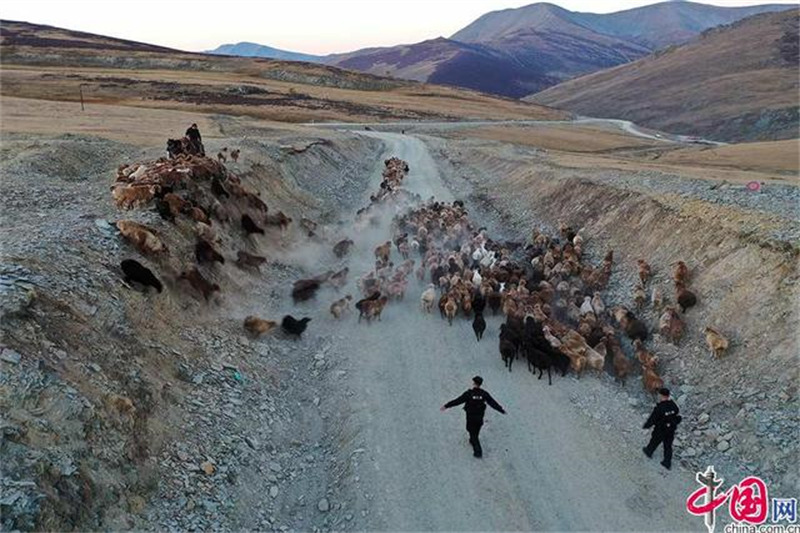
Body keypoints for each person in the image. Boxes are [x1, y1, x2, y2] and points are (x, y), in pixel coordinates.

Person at [441, 376, 506, 458]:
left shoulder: (469, 394)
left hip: (471, 417)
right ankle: (472, 440)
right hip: (479, 417)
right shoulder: (484, 394)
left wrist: (447, 406)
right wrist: (501, 410)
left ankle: (478, 452)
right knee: (475, 431)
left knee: (471, 431)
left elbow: (458, 401)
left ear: (474, 383)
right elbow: (492, 403)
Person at [642, 387, 682, 470]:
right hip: (671, 429)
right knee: (668, 446)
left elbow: (653, 418)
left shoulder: (659, 408)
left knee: (654, 441)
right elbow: (677, 412)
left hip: (661, 429)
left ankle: (649, 451)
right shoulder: (673, 405)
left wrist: (647, 425)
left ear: (661, 395)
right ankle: (667, 462)